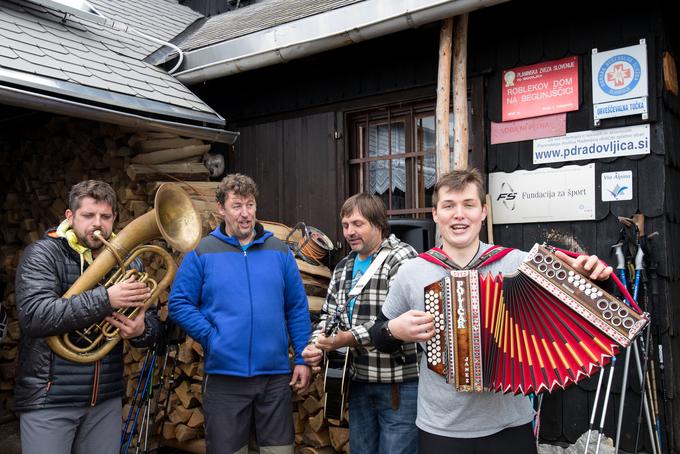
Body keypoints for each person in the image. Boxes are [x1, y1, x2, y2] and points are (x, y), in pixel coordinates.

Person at [369, 169, 613, 454]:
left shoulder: (518, 263)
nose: (459, 214)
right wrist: (393, 330)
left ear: (483, 212)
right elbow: (378, 334)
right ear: (436, 214)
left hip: (510, 424)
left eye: (468, 205)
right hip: (440, 427)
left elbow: (586, 311)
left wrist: (596, 280)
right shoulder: (412, 271)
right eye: (449, 206)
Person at [169, 173, 311, 454]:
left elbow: (296, 307)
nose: (245, 214)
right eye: (237, 206)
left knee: (280, 451)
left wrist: (304, 356)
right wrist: (211, 337)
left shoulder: (279, 251)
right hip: (225, 379)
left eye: (250, 205)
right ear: (221, 208)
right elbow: (179, 303)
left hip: (274, 378)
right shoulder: (202, 252)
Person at [15, 180, 160, 454]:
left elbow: (151, 322)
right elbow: (34, 316)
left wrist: (142, 329)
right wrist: (106, 299)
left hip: (105, 399)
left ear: (115, 218)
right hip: (50, 399)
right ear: (70, 217)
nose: (98, 224)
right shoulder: (42, 255)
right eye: (88, 216)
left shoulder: (129, 261)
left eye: (105, 217)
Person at [302, 193, 419, 454]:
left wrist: (345, 339)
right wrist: (317, 344)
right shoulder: (344, 267)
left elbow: (395, 320)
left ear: (378, 223)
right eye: (345, 225)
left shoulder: (401, 258)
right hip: (357, 381)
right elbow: (328, 317)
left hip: (397, 384)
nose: (350, 232)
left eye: (358, 224)